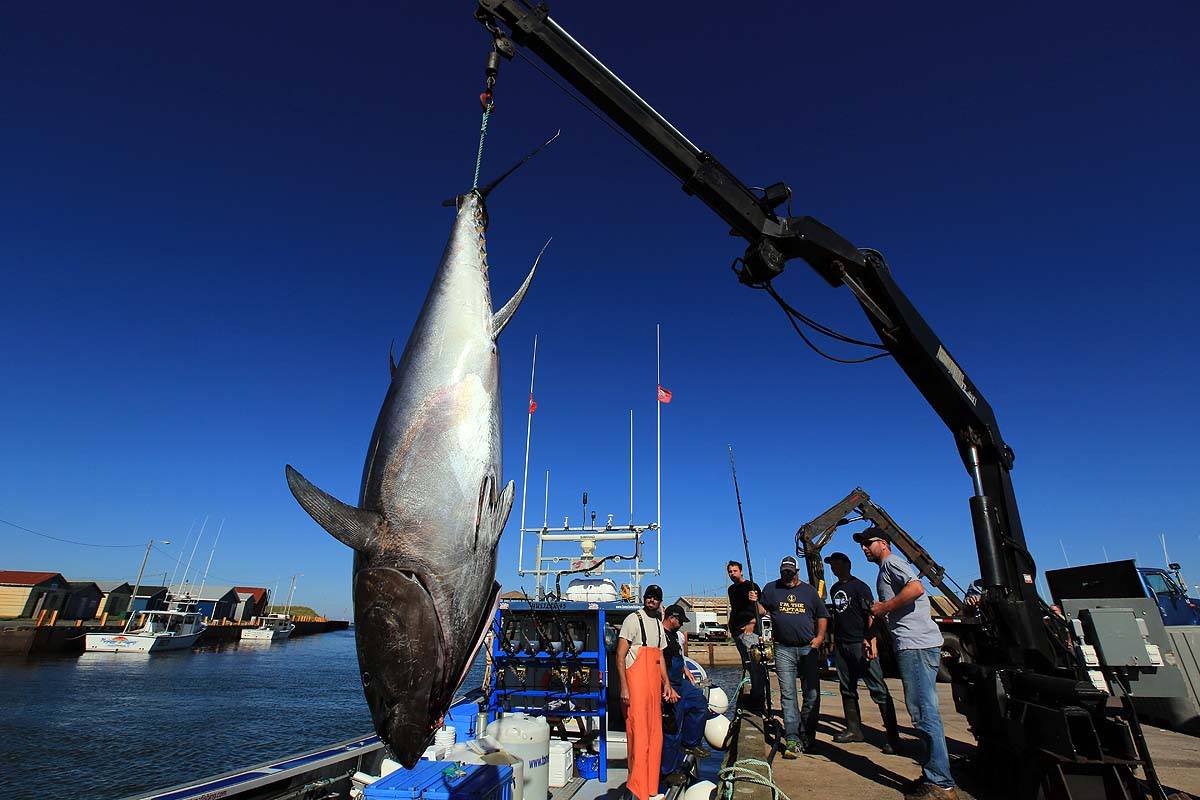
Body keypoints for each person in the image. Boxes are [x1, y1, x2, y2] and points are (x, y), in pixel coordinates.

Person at [854, 527, 958, 800]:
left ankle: (942, 784)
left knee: (924, 714)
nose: (864, 548)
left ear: (883, 544)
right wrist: (873, 634)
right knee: (922, 712)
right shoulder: (885, 568)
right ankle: (932, 774)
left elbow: (916, 588)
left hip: (916, 645)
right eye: (861, 544)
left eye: (868, 543)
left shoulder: (892, 562)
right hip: (912, 645)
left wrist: (883, 608)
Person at [824, 551, 901, 753]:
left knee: (877, 688)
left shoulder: (860, 587)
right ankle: (854, 729)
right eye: (831, 565)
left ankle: (893, 737)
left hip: (860, 642)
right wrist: (833, 643)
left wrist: (871, 640)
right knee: (847, 688)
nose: (834, 567)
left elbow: (871, 615)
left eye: (837, 563)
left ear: (847, 564)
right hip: (842, 645)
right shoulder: (835, 588)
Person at [755, 555, 829, 757]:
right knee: (788, 694)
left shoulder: (809, 591)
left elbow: (822, 615)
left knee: (811, 694)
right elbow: (763, 610)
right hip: (783, 648)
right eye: (784, 572)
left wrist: (820, 637)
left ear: (797, 572)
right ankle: (792, 738)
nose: (787, 576)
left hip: (808, 648)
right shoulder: (771, 588)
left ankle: (808, 735)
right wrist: (756, 602)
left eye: (790, 572)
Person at [617, 585, 679, 800]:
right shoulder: (633, 620)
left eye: (656, 598)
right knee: (639, 735)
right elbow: (620, 655)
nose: (651, 600)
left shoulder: (658, 624)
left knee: (655, 737)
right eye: (649, 596)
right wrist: (623, 687)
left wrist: (667, 685)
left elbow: (660, 657)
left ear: (660, 601)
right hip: (636, 686)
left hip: (653, 687)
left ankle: (651, 788)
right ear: (644, 598)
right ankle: (636, 788)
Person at [659, 604, 713, 786]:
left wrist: (685, 670)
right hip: (667, 685)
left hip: (680, 681)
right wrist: (667, 686)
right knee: (672, 730)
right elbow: (656, 662)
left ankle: (690, 742)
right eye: (680, 620)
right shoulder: (658, 634)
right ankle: (667, 771)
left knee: (700, 703)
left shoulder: (675, 635)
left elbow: (677, 655)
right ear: (671, 618)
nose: (682, 624)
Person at [726, 560, 766, 712]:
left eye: (735, 571)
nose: (732, 574)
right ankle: (755, 695)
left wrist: (753, 623)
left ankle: (758, 698)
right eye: (730, 572)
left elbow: (762, 610)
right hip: (737, 632)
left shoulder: (752, 586)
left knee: (756, 665)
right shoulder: (731, 590)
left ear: (741, 571)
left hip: (749, 632)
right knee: (748, 665)